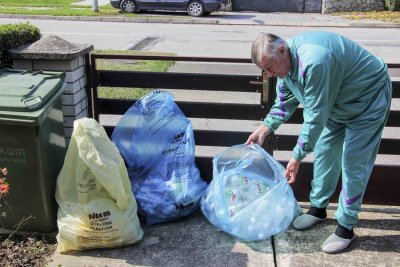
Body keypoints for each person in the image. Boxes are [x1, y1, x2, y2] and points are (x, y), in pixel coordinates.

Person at [245, 31, 392, 254]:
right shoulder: (285, 68)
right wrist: (265, 128)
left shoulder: (315, 61)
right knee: (324, 151)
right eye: (264, 70)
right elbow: (284, 102)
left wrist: (296, 156)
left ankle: (346, 226)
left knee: (354, 162)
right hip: (336, 104)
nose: (270, 74)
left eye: (269, 67)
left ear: (282, 50)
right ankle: (318, 208)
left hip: (367, 101)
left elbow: (315, 116)